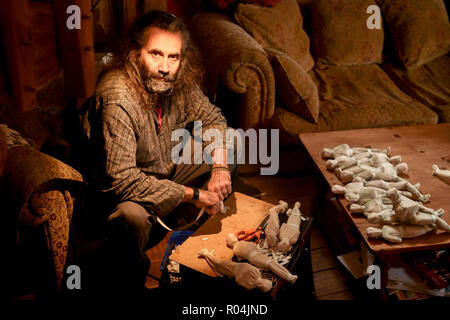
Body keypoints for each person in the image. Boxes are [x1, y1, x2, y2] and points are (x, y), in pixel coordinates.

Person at [78, 10, 237, 294]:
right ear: (134, 53)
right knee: (132, 218)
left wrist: (220, 168)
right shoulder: (118, 97)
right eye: (155, 54)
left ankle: (183, 229)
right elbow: (123, 181)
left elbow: (213, 118)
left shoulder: (177, 82)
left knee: (229, 145)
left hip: (165, 168)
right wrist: (195, 194)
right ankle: (129, 278)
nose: (164, 67)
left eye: (173, 57)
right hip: (122, 195)